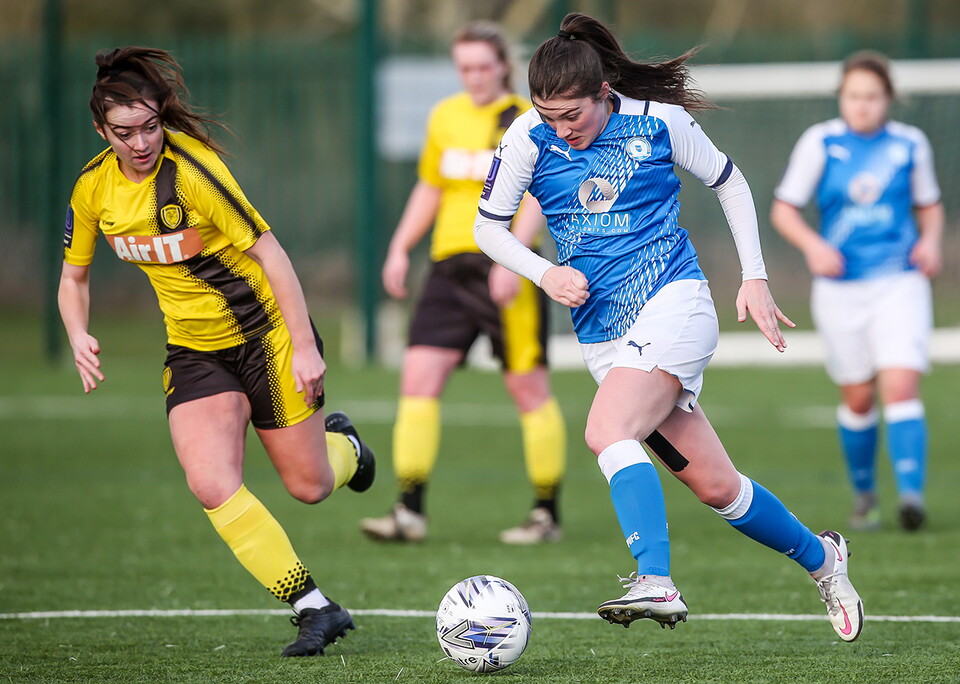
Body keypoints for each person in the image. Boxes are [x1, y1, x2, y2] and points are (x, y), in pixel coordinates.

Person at [474, 13, 864, 641]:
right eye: (549, 116)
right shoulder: (526, 138)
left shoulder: (660, 121)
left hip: (675, 303)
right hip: (603, 335)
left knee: (606, 430)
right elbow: (486, 227)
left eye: (572, 115)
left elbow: (730, 184)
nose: (561, 130)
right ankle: (824, 559)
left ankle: (655, 580)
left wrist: (754, 277)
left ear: (603, 92)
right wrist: (545, 273)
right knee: (718, 489)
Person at [58, 46, 376, 657]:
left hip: (269, 336)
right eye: (125, 131)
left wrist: (306, 348)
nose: (142, 141)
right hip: (195, 351)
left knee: (309, 486)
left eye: (151, 125)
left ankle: (348, 447)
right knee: (209, 481)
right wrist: (78, 333)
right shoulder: (93, 188)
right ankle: (315, 607)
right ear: (101, 129)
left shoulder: (194, 173)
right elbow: (73, 279)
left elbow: (271, 254)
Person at [360, 21, 567, 545]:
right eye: (464, 67)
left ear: (503, 65)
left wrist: (513, 260)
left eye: (483, 66)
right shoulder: (445, 116)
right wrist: (400, 247)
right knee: (418, 381)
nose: (474, 76)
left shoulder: (527, 119)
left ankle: (545, 515)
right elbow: (431, 186)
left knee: (529, 390)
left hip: (506, 266)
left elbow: (540, 195)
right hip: (448, 267)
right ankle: (409, 510)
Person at [771, 51, 943, 533]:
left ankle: (911, 496)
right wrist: (813, 245)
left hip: (899, 282)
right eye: (854, 96)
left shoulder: (910, 144)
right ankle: (865, 494)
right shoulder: (820, 142)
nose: (863, 105)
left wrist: (930, 242)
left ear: (888, 99)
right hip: (840, 289)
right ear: (841, 98)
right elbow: (784, 209)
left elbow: (929, 205)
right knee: (859, 397)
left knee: (901, 386)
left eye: (872, 96)